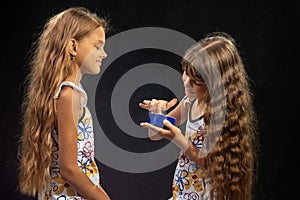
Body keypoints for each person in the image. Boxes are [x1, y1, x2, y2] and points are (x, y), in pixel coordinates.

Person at [139, 32, 259, 200]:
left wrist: (179, 139)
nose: (186, 82)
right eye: (186, 73)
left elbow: (213, 166)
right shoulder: (189, 102)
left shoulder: (222, 115)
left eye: (196, 81)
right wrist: (157, 113)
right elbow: (156, 134)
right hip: (185, 189)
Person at [18, 7, 111, 200]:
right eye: (98, 46)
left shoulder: (64, 93)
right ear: (73, 47)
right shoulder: (69, 95)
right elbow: (69, 170)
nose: (104, 54)